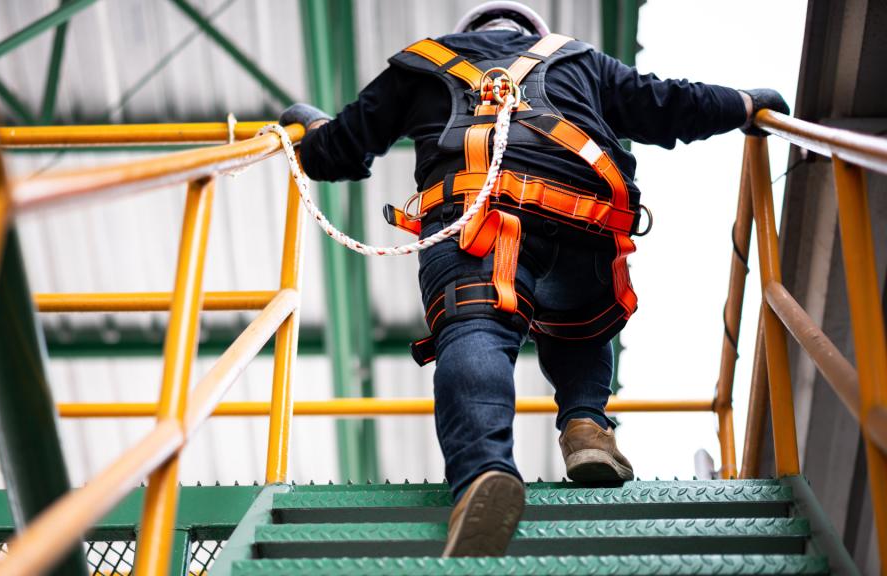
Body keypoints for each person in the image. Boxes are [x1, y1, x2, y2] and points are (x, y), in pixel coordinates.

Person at [279, 0, 788, 558]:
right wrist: (744, 105)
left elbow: (335, 153)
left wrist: (307, 126)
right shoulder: (579, 60)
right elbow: (668, 104)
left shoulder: (418, 66)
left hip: (477, 223)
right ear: (535, 35)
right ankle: (587, 429)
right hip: (585, 224)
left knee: (476, 332)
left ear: (464, 35)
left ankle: (483, 476)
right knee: (579, 328)